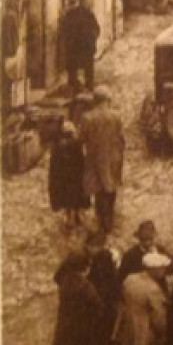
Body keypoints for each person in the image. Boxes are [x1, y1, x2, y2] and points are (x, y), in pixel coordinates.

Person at [78, 86, 124, 234]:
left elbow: (81, 139)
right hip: (113, 158)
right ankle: (110, 217)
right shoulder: (116, 116)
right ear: (107, 100)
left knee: (99, 189)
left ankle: (102, 221)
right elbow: (122, 138)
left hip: (95, 159)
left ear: (95, 100)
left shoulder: (87, 118)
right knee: (112, 186)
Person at [55, 0, 101, 93]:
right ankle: (84, 87)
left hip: (79, 46)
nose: (90, 4)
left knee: (78, 67)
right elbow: (96, 29)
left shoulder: (86, 14)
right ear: (82, 2)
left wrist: (92, 37)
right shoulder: (78, 14)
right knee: (82, 67)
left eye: (91, 1)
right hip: (79, 46)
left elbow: (96, 29)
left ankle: (80, 86)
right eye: (88, 2)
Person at [47, 120, 87, 226]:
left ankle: (69, 217)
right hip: (75, 176)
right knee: (77, 195)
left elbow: (54, 166)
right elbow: (81, 161)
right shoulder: (77, 145)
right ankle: (77, 214)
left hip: (64, 178)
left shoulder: (57, 146)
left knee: (66, 198)